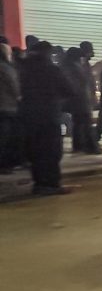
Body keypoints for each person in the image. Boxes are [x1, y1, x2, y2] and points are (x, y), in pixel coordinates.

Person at [17, 42, 70, 195]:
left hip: (29, 117)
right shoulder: (52, 70)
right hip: (49, 116)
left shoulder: (23, 69)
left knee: (35, 151)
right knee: (52, 152)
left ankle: (39, 183)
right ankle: (52, 184)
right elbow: (68, 89)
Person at [0, 42, 20, 172]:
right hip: (7, 107)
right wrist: (20, 97)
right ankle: (5, 165)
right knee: (6, 138)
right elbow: (15, 86)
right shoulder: (6, 68)